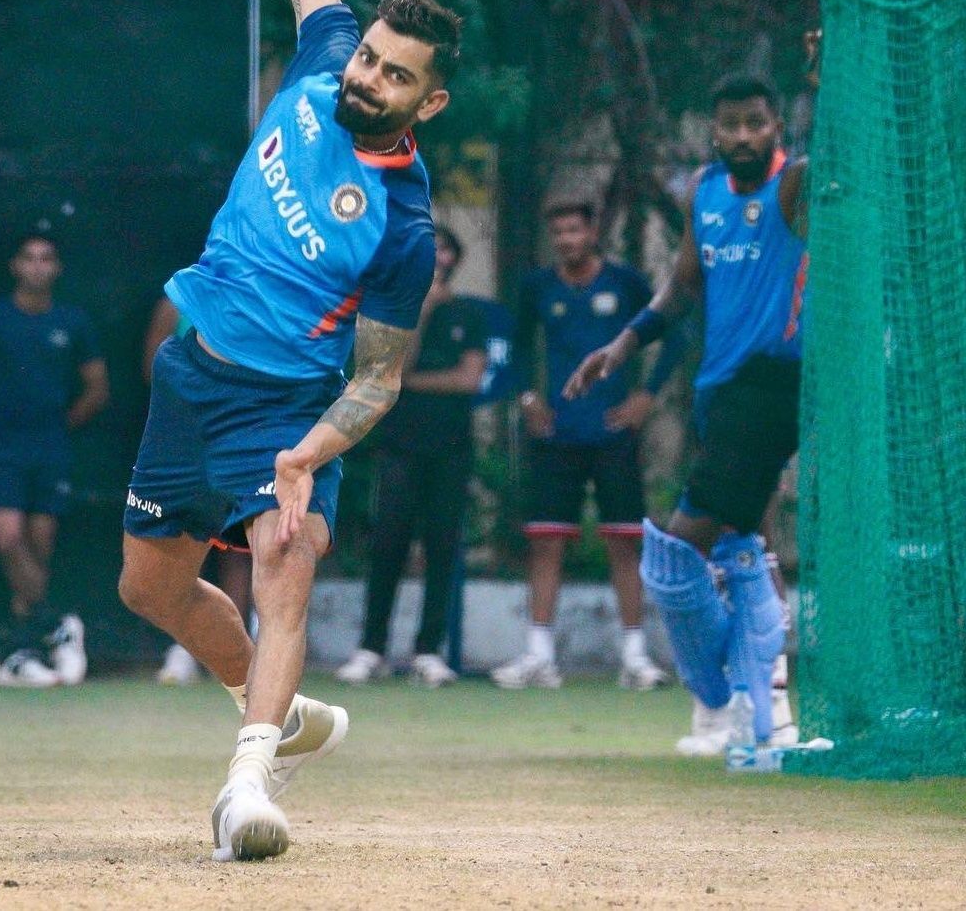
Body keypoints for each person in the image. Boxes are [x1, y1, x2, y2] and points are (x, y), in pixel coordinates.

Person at [116, 0, 459, 862]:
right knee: (149, 584)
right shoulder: (318, 67)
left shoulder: (404, 224)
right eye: (369, 57)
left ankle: (249, 782)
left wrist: (309, 453)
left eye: (395, 75)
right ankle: (285, 711)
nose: (367, 77)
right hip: (194, 370)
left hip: (286, 401)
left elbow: (378, 375)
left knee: (284, 551)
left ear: (428, 99)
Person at [566, 72, 807, 751]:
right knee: (747, 547)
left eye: (753, 123)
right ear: (712, 129)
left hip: (768, 385)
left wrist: (822, 78)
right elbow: (681, 284)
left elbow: (839, 163)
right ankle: (767, 711)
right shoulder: (704, 190)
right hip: (716, 388)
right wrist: (620, 345)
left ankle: (716, 696)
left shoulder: (791, 186)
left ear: (776, 128)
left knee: (677, 554)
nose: (739, 136)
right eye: (728, 124)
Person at [491, 200, 682, 691]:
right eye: (557, 233)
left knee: (624, 541)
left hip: (614, 431)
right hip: (557, 433)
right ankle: (539, 655)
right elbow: (512, 347)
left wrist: (645, 396)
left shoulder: (627, 283)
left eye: (574, 230)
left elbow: (673, 333)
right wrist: (529, 398)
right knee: (547, 541)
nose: (566, 241)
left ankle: (636, 658)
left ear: (593, 231)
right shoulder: (537, 287)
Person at [0, 232, 109, 688]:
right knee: (8, 540)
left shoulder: (72, 322)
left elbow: (97, 388)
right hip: (2, 451)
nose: (37, 266)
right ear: (15, 266)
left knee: (39, 547)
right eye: (29, 258)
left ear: (56, 268)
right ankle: (56, 625)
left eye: (47, 258)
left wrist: (60, 426)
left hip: (52, 450)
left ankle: (24, 651)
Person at [334, 225, 486, 687]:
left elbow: (468, 380)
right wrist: (421, 310)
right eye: (429, 250)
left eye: (444, 250)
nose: (437, 258)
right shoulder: (395, 313)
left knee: (442, 545)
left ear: (454, 260)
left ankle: (428, 650)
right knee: (388, 544)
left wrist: (411, 385)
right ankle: (371, 647)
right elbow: (390, 369)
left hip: (450, 448)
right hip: (399, 446)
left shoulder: (468, 314)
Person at [142, 294, 254, 686]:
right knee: (183, 548)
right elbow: (153, 369)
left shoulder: (262, 301)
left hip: (242, 441)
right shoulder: (176, 301)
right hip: (186, 442)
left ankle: (235, 653)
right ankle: (186, 647)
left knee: (238, 551)